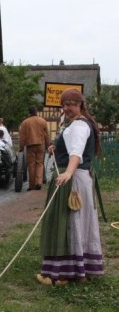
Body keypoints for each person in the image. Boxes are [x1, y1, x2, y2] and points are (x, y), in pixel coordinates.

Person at [36, 88, 103, 286]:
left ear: (80, 104)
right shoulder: (76, 124)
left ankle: (64, 273)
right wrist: (56, 148)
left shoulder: (79, 126)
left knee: (68, 222)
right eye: (64, 105)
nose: (67, 108)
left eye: (71, 104)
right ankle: (80, 270)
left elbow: (76, 153)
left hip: (73, 179)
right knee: (78, 222)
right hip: (80, 178)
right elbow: (71, 147)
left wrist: (68, 172)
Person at [19, 106, 50, 190]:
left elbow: (22, 136)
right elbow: (46, 135)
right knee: (40, 163)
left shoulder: (25, 122)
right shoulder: (42, 121)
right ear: (36, 111)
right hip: (40, 145)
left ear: (29, 113)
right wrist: (48, 146)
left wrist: (21, 147)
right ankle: (38, 182)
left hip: (30, 146)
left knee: (31, 165)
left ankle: (31, 185)